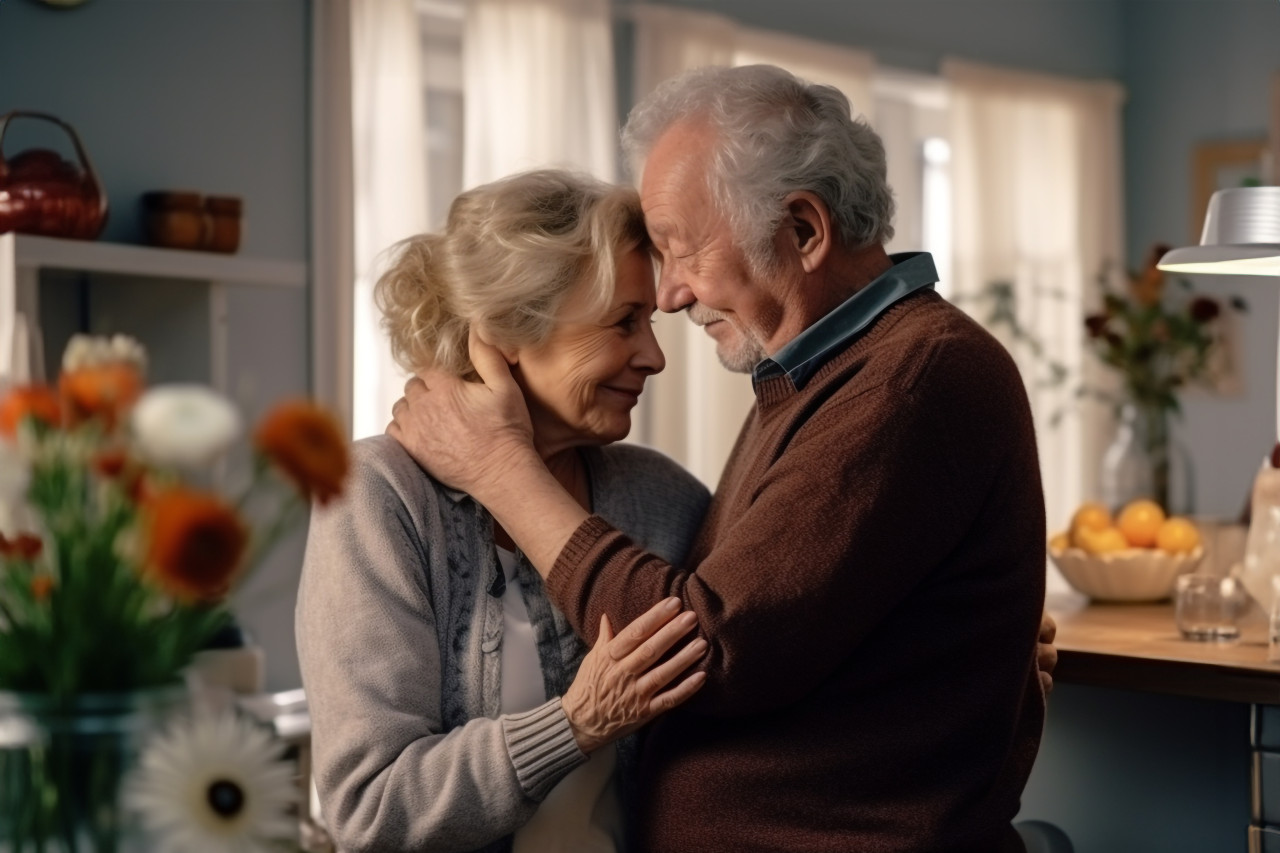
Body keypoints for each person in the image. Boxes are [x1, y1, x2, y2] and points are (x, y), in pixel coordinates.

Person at [390, 64, 1049, 852]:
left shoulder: (910, 379)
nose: (671, 297)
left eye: (680, 252)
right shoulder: (817, 376)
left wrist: (502, 471)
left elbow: (713, 648)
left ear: (804, 231)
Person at [296, 170, 713, 853]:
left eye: (652, 322)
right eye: (623, 322)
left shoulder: (663, 498)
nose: (655, 356)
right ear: (505, 333)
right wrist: (577, 720)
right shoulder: (378, 496)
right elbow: (371, 810)